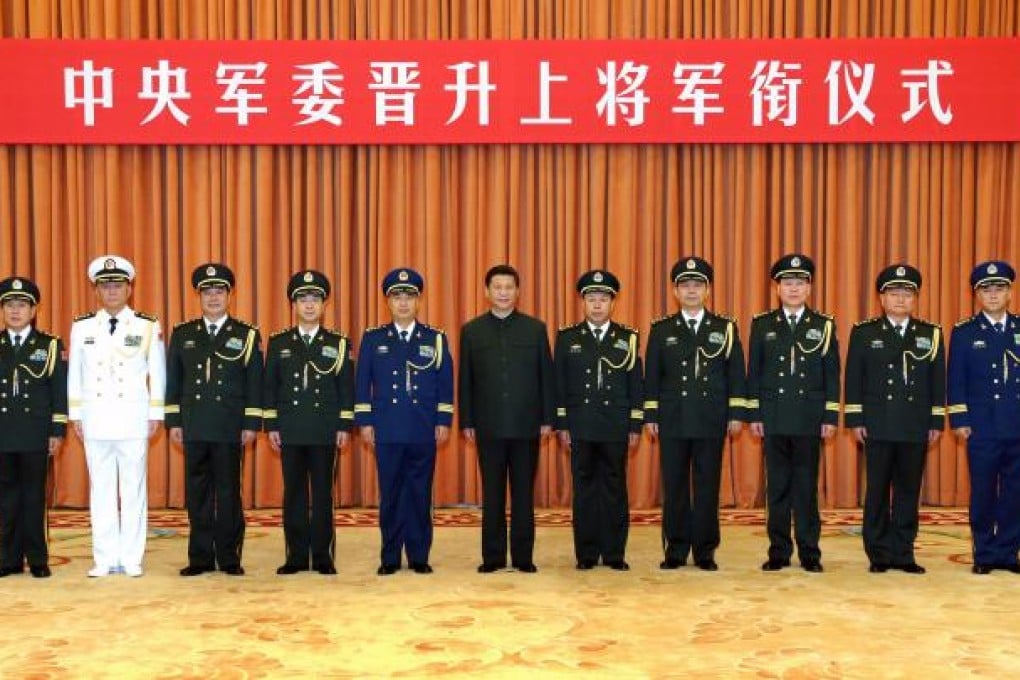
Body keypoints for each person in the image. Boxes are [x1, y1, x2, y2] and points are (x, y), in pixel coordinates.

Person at [643, 257, 745, 571]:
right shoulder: (661, 330)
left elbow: (736, 374)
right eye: (685, 285)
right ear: (675, 291)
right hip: (673, 419)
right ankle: (675, 549)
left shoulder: (725, 328)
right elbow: (652, 376)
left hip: (710, 418)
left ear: (708, 290)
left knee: (706, 487)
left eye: (697, 285)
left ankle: (704, 551)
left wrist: (735, 412)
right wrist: (651, 415)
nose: (691, 291)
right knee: (673, 487)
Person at [68, 255, 165, 577]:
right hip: (95, 417)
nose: (111, 290)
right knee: (102, 490)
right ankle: (105, 558)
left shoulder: (146, 325)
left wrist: (155, 412)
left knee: (134, 488)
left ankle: (131, 557)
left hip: (133, 417)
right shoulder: (82, 327)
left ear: (129, 288)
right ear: (96, 290)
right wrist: (76, 414)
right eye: (105, 285)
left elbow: (157, 373)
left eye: (117, 284)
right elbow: (75, 375)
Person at [845, 264, 944, 574]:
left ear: (915, 298)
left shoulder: (931, 334)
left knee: (908, 490)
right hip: (877, 423)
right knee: (876, 490)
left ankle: (903, 552)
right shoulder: (864, 332)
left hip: (915, 425)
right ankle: (878, 552)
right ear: (882, 297)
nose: (900, 298)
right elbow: (854, 379)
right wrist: (855, 418)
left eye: (907, 293)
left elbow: (937, 382)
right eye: (894, 292)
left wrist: (936, 421)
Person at [165, 263, 263, 577]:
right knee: (197, 494)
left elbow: (253, 383)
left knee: (228, 493)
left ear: (229, 295)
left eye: (219, 291)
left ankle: (230, 556)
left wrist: (250, 423)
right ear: (199, 296)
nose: (213, 297)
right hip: (194, 425)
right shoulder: (183, 334)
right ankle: (200, 557)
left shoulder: (246, 334)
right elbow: (174, 381)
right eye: (207, 292)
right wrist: (174, 421)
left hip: (229, 427)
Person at [355, 268, 452, 575]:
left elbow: (445, 383)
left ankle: (419, 555)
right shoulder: (373, 339)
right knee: (392, 494)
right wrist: (365, 421)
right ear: (388, 301)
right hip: (388, 428)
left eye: (409, 296)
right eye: (397, 296)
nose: (403, 302)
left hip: (423, 427)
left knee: (420, 493)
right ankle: (390, 556)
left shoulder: (435, 338)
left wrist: (444, 419)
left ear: (418, 300)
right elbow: (362, 384)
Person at [746, 253, 839, 573]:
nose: (794, 288)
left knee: (806, 487)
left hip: (809, 418)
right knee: (778, 487)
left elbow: (831, 374)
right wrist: (755, 414)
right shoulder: (762, 324)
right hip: (773, 417)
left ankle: (810, 552)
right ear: (777, 288)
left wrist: (829, 416)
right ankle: (778, 551)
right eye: (788, 282)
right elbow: (754, 374)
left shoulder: (824, 325)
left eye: (800, 282)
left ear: (809, 288)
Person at [459, 264, 555, 573]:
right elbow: (467, 381)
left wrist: (547, 418)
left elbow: (546, 377)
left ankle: (524, 557)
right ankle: (493, 557)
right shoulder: (472, 330)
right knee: (492, 495)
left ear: (518, 292)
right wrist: (467, 421)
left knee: (524, 495)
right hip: (488, 427)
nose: (503, 292)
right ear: (487, 292)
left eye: (508, 287)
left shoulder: (535, 329)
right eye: (497, 287)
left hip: (527, 426)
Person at [264, 270, 354, 575]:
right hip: (290, 429)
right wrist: (272, 425)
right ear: (294, 304)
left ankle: (323, 555)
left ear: (324, 304)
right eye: (303, 299)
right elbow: (271, 387)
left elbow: (346, 388)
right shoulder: (279, 343)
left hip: (325, 430)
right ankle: (296, 556)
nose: (309, 305)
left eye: (315, 298)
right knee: (294, 494)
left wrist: (344, 425)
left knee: (323, 495)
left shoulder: (338, 343)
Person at [554, 270, 642, 571]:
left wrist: (634, 425)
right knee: (585, 490)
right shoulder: (567, 338)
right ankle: (587, 553)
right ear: (583, 302)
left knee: (615, 489)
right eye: (591, 299)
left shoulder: (628, 338)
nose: (596, 305)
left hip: (615, 426)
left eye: (603, 299)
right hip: (581, 425)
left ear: (612, 303)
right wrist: (563, 424)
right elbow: (560, 386)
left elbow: (635, 385)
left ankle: (615, 552)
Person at [948, 260, 1020, 575]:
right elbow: (956, 379)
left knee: (1015, 491)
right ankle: (985, 553)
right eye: (986, 289)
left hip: (1016, 424)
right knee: (983, 490)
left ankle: (1008, 552)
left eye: (999, 288)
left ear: (1009, 292)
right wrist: (959, 418)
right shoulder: (964, 332)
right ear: (977, 294)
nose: (993, 294)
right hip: (982, 426)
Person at [0, 276, 67, 578]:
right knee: (6, 498)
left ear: (33, 310)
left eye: (21, 305)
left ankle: (37, 558)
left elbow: (57, 392)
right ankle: (9, 558)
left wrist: (57, 430)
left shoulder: (49, 345)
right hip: (3, 433)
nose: (15, 311)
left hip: (35, 433)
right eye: (9, 305)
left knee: (34, 496)